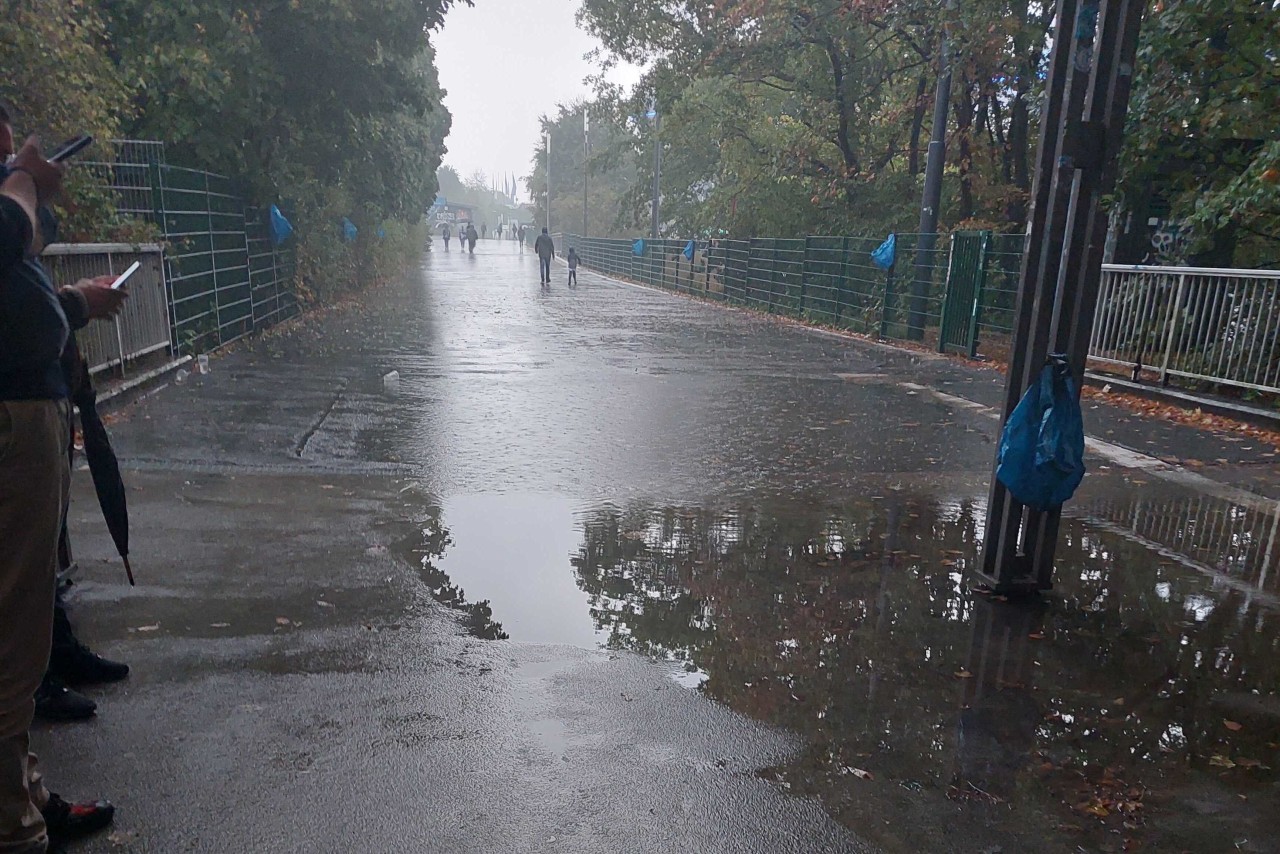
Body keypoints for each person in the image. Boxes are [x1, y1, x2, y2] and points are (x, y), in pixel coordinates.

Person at [0, 109, 124, 851]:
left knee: (21, 612)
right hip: (13, 418)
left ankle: (24, 792)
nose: (12, 150)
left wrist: (75, 302)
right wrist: (21, 183)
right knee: (14, 626)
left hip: (28, 404)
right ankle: (15, 826)